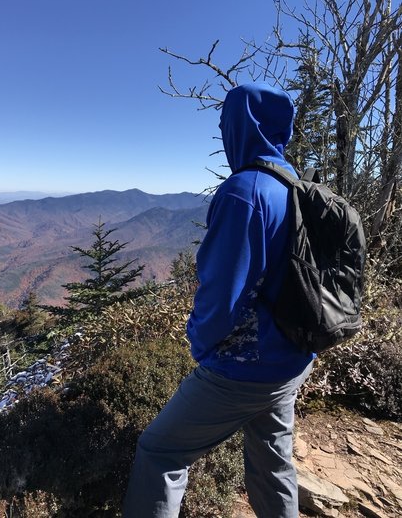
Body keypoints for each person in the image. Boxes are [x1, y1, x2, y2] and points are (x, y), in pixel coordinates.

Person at [122, 82, 315, 518]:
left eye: (225, 121)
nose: (224, 129)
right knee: (272, 463)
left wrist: (200, 344)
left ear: (240, 125)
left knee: (160, 453)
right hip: (292, 359)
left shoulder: (244, 191)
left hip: (243, 368)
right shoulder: (292, 186)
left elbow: (220, 294)